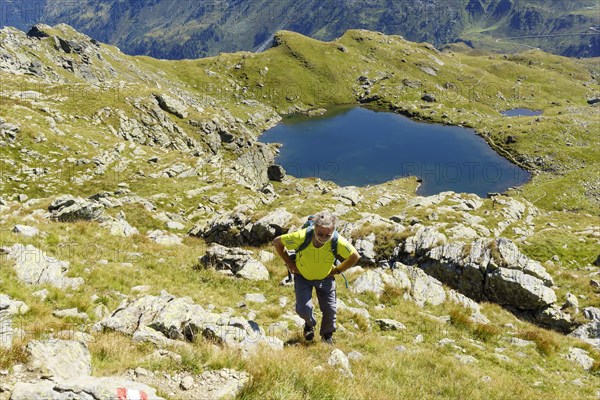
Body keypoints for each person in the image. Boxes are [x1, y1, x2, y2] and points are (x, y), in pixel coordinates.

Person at [272, 210, 360, 344]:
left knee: (330, 310)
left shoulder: (337, 240)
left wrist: (337, 270)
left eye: (327, 235)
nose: (323, 237)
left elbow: (355, 256)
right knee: (303, 309)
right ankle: (309, 324)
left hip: (326, 278)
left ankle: (327, 336)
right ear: (314, 227)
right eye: (320, 233)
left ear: (333, 231)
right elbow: (277, 242)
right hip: (302, 277)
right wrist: (289, 262)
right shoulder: (302, 236)